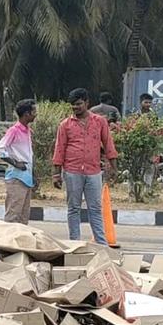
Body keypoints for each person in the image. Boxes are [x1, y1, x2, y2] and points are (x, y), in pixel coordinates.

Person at [52, 88, 118, 245]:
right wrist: (56, 174)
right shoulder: (65, 125)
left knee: (95, 208)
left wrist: (114, 167)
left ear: (87, 103)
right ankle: (75, 243)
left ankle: (101, 244)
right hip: (72, 171)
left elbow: (108, 144)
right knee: (73, 208)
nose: (76, 108)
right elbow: (59, 149)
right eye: (73, 105)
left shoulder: (100, 122)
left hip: (93, 171)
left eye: (79, 104)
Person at [0, 99, 36, 224]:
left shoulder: (27, 131)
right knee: (13, 215)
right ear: (27, 114)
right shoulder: (14, 130)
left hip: (26, 178)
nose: (36, 114)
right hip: (16, 178)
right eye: (34, 111)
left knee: (23, 216)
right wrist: (15, 163)